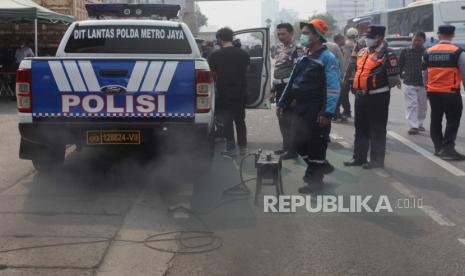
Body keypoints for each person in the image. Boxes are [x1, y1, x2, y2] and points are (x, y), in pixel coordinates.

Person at [277, 19, 341, 193]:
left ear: (317, 36)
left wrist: (327, 112)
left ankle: (314, 182)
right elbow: (292, 80)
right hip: (301, 107)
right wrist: (283, 101)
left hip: (317, 109)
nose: (303, 36)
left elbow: (334, 88)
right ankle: (321, 165)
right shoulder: (304, 55)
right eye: (303, 32)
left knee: (316, 145)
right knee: (296, 142)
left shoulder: (328, 58)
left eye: (306, 33)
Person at [344, 25, 400, 169]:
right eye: (367, 37)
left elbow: (393, 79)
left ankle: (377, 160)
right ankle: (359, 157)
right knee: (360, 128)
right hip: (361, 96)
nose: (367, 40)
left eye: (371, 37)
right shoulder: (362, 52)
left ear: (380, 37)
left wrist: (376, 86)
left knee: (377, 129)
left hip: (378, 97)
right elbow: (358, 71)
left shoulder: (388, 53)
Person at [424, 25, 465, 160]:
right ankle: (448, 148)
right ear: (453, 35)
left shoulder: (428, 52)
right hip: (451, 92)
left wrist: (427, 88)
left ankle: (438, 147)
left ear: (438, 34)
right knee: (453, 120)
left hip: (433, 92)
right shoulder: (458, 52)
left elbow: (424, 73)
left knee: (436, 119)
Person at [209, 27, 251, 157]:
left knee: (227, 121)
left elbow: (213, 74)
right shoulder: (243, 54)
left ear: (220, 39)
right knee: (240, 120)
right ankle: (243, 148)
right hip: (240, 92)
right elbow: (247, 70)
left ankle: (231, 149)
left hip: (224, 93)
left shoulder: (215, 55)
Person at [273, 22, 299, 159]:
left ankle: (292, 150)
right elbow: (277, 68)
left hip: (289, 88)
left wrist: (293, 93)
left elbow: (297, 72)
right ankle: (286, 147)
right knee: (282, 118)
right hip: (278, 86)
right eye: (278, 34)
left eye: (283, 34)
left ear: (291, 33)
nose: (280, 36)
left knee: (289, 119)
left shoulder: (297, 49)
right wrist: (273, 88)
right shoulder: (278, 48)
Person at [399, 32, 427, 135]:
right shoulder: (405, 51)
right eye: (414, 40)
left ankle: (419, 123)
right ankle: (413, 126)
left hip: (423, 83)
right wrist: (399, 77)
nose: (416, 42)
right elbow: (400, 65)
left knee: (422, 106)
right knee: (411, 105)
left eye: (419, 40)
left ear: (424, 41)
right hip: (409, 82)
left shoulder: (427, 53)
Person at [336, 28, 358, 121]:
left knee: (344, 94)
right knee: (357, 94)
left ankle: (347, 111)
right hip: (355, 73)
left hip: (347, 73)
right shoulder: (357, 44)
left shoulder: (346, 45)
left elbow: (345, 61)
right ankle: (358, 112)